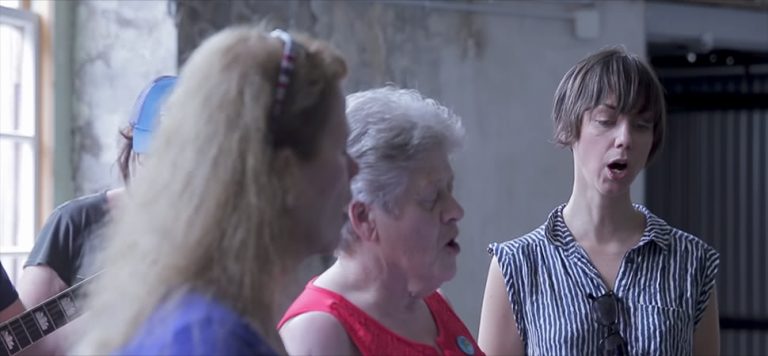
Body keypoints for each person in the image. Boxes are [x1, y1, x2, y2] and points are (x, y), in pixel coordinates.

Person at [72, 25, 355, 355]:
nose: (354, 169)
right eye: (339, 150)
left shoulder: (205, 316)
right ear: (284, 172)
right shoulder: (208, 340)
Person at [478, 46, 720, 356]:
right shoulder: (518, 264)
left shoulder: (691, 262)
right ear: (570, 127)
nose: (625, 139)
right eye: (606, 120)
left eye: (642, 125)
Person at [279, 86, 483, 356]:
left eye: (450, 189)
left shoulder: (434, 304)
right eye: (431, 197)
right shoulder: (318, 332)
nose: (455, 210)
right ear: (364, 218)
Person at [12, 76, 175, 355]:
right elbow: (21, 345)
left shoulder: (217, 238)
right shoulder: (72, 223)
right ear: (131, 147)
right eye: (151, 156)